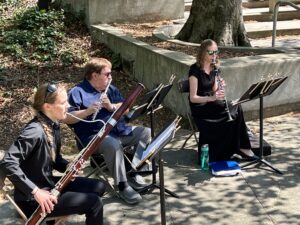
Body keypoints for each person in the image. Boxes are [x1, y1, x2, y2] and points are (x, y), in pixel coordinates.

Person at [0, 83, 105, 225]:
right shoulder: (34, 131)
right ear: (47, 106)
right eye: (63, 103)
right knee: (94, 203)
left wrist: (68, 166)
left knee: (99, 186)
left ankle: (57, 216)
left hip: (47, 184)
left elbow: (55, 160)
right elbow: (7, 162)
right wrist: (36, 192)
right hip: (31, 200)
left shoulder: (53, 124)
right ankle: (55, 215)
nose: (68, 106)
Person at [64, 57, 151, 205]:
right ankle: (122, 185)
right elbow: (67, 118)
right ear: (95, 75)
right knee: (112, 144)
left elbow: (126, 108)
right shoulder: (77, 92)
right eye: (107, 74)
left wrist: (111, 107)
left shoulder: (110, 89)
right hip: (94, 138)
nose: (110, 77)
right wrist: (87, 111)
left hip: (119, 131)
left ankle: (134, 171)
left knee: (145, 132)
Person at [188, 39, 257, 162]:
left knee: (236, 105)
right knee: (231, 110)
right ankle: (239, 148)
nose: (214, 55)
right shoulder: (194, 71)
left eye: (216, 52)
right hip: (200, 107)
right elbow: (193, 98)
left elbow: (214, 90)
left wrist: (220, 86)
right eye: (211, 52)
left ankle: (241, 146)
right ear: (203, 53)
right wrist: (212, 98)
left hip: (212, 102)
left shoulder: (214, 68)